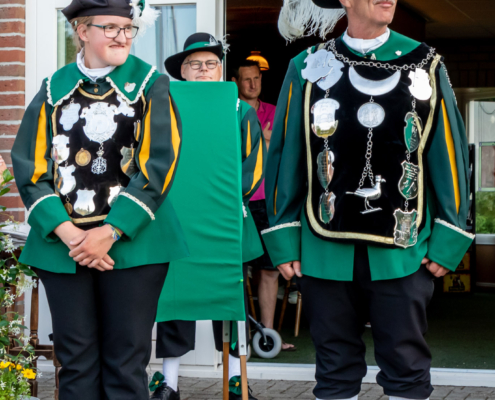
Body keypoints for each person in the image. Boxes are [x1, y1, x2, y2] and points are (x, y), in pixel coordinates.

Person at [264, 1, 475, 400]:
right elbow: (287, 154)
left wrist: (450, 236)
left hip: (402, 251)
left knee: (407, 367)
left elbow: (447, 153)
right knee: (334, 369)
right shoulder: (307, 66)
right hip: (323, 248)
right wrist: (284, 237)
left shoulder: (425, 63)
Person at [11, 1, 189, 399]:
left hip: (135, 244)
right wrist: (70, 234)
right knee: (75, 363)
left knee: (125, 363)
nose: (122, 37)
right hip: (64, 245)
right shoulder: (53, 88)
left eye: (128, 28)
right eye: (110, 28)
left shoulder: (151, 84)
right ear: (81, 30)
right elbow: (30, 167)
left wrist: (109, 232)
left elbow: (160, 164)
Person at [151, 33, 266, 400]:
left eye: (210, 64)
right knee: (173, 300)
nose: (203, 70)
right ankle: (169, 383)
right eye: (195, 64)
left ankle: (236, 381)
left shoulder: (239, 110)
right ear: (182, 72)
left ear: (220, 71)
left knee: (229, 299)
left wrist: (227, 201)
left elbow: (254, 165)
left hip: (224, 220)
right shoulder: (165, 108)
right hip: (176, 221)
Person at [232, 60, 295, 351]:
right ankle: (238, 339)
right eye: (247, 79)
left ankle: (268, 337)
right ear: (236, 82)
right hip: (240, 200)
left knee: (270, 270)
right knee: (236, 270)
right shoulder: (230, 111)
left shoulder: (275, 110)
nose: (253, 84)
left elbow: (289, 147)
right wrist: (264, 137)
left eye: (256, 78)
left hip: (270, 201)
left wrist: (264, 137)